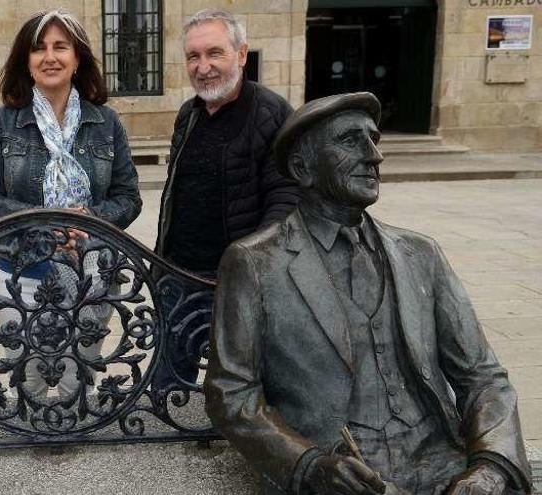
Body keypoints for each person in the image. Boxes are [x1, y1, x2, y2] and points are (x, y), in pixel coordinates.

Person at [205, 92, 532, 495]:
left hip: (444, 462)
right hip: (338, 473)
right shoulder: (254, 262)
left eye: (374, 138)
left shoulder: (420, 253)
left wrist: (490, 466)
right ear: (301, 167)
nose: (374, 155)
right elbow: (231, 394)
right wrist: (309, 464)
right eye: (349, 140)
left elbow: (483, 376)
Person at [0, 9, 141, 403]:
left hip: (93, 272)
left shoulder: (106, 123)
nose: (50, 57)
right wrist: (43, 225)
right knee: (27, 381)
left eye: (60, 47)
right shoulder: (3, 123)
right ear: (25, 62)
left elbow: (128, 197)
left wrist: (91, 220)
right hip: (21, 270)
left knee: (75, 384)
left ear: (77, 58)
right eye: (39, 48)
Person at [152, 9, 300, 391]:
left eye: (214, 53)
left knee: (237, 386)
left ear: (241, 54)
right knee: (167, 386)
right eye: (193, 57)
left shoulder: (272, 112)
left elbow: (285, 200)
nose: (203, 67)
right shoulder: (189, 114)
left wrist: (250, 267)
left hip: (235, 282)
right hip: (180, 273)